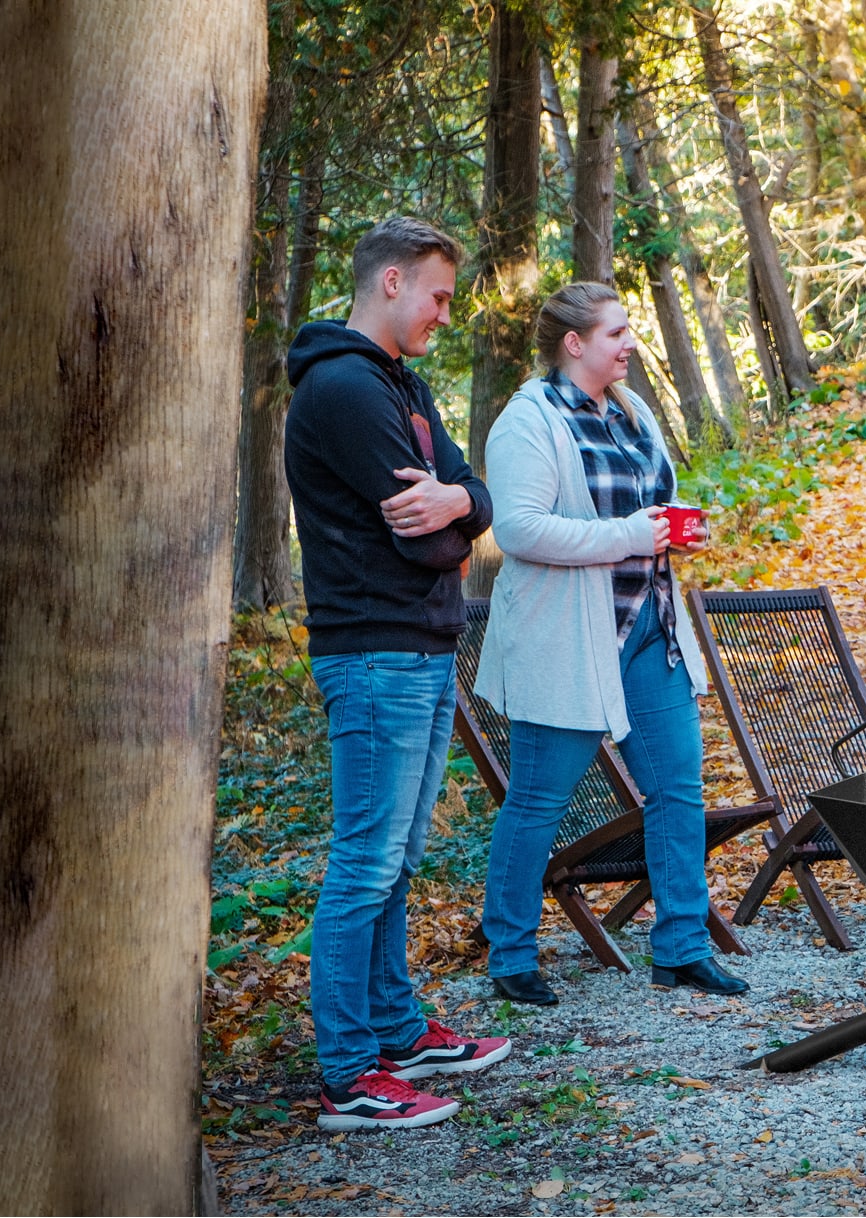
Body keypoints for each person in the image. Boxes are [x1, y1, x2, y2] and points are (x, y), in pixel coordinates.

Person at [286, 217, 511, 1131]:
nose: (444, 315)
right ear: (389, 283)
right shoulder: (341, 388)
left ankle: (393, 1026)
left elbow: (467, 497)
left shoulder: (403, 384)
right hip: (374, 649)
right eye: (438, 295)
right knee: (365, 862)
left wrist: (460, 502)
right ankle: (347, 1074)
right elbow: (423, 548)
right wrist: (457, 522)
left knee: (398, 859)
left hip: (417, 650)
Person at [474, 282, 747, 1005]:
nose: (629, 342)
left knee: (678, 790)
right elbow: (520, 531)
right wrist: (629, 536)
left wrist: (676, 529)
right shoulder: (528, 422)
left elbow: (650, 502)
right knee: (538, 799)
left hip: (648, 629)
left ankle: (683, 947)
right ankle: (510, 953)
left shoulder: (633, 410)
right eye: (616, 333)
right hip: (567, 642)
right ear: (575, 344)